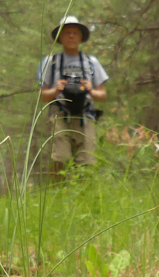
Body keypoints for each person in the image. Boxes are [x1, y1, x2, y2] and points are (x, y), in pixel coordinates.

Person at [37, 16, 108, 174]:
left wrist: (90, 90)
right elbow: (42, 96)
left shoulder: (92, 62)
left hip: (85, 115)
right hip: (59, 114)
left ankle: (83, 196)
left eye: (75, 33)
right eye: (67, 32)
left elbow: (102, 95)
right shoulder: (50, 62)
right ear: (60, 37)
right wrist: (57, 90)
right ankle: (58, 193)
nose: (71, 36)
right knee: (60, 159)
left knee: (87, 162)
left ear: (81, 37)